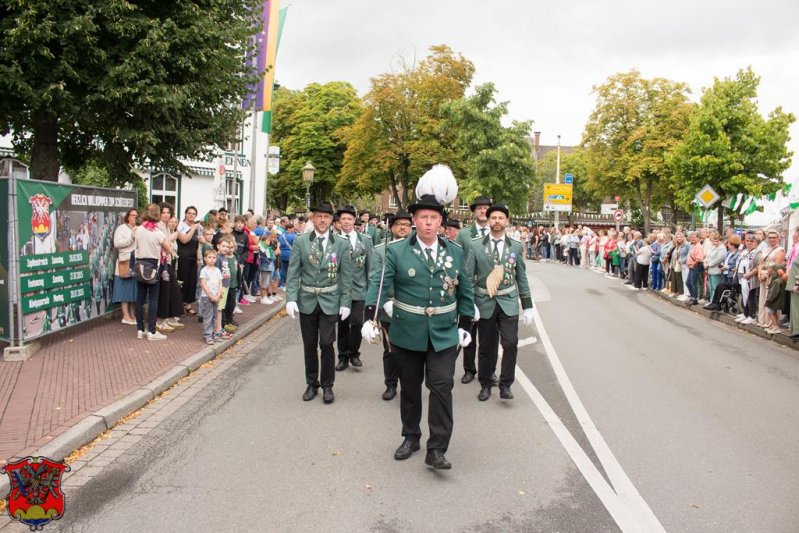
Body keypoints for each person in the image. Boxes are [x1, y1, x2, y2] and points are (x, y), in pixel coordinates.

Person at [363, 193, 475, 470]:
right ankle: (411, 436)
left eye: (433, 218)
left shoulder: (455, 252)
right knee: (410, 388)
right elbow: (380, 283)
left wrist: (465, 325)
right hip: (407, 330)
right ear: (414, 220)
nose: (428, 223)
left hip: (444, 332)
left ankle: (437, 448)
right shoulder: (396, 251)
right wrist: (370, 317)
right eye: (423, 217)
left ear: (441, 222)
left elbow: (465, 290)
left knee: (441, 386)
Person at [285, 201, 353, 404]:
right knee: (309, 345)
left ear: (333, 220)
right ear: (313, 218)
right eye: (319, 216)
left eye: (327, 217)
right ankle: (311, 383)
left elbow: (346, 275)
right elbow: (293, 271)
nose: (323, 220)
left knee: (326, 343)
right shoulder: (301, 241)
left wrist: (346, 301)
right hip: (307, 300)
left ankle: (328, 385)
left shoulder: (341, 243)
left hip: (330, 300)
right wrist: (291, 298)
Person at [465, 204, 533, 401]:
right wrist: (470, 305)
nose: (497, 221)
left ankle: (506, 385)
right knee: (485, 346)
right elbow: (469, 277)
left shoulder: (516, 245)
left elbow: (521, 277)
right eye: (493, 218)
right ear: (488, 220)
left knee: (511, 343)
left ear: (507, 221)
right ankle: (485, 384)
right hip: (484, 300)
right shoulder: (476, 245)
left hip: (508, 301)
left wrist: (527, 305)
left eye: (501, 218)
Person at [370, 209, 413, 401]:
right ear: (391, 227)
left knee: (411, 351)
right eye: (398, 224)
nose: (402, 228)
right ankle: (391, 384)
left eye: (406, 224)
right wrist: (386, 302)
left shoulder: (416, 249)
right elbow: (375, 279)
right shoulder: (380, 250)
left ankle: (409, 386)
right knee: (390, 349)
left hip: (412, 308)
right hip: (389, 309)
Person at [455, 195, 492, 384]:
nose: (483, 211)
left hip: (489, 291)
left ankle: (488, 370)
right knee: (468, 331)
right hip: (469, 288)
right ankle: (469, 369)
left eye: (486, 208)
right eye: (479, 208)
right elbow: (458, 260)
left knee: (488, 336)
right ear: (474, 211)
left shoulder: (496, 232)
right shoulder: (464, 234)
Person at [334, 205, 373, 371]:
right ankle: (342, 356)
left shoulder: (365, 240)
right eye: (343, 219)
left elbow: (370, 267)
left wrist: (370, 292)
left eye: (349, 219)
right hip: (340, 290)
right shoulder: (333, 240)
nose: (346, 222)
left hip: (359, 289)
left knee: (357, 323)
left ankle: (354, 353)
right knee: (342, 324)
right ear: (339, 221)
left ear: (354, 220)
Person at [133, 203, 171, 341]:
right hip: (153, 265)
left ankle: (140, 329)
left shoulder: (138, 230)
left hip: (139, 264)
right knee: (153, 298)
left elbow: (134, 240)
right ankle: (152, 331)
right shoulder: (158, 232)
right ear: (158, 215)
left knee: (140, 298)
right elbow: (168, 248)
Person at [112, 208, 138, 325]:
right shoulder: (121, 229)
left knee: (133, 290)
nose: (135, 218)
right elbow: (117, 244)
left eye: (136, 216)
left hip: (136, 262)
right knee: (124, 289)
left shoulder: (138, 228)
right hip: (125, 261)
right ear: (128, 216)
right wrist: (130, 239)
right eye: (132, 215)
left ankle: (132, 315)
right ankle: (125, 316)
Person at [177, 206, 202, 316]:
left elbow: (198, 243)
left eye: (193, 214)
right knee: (183, 281)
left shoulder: (197, 228)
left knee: (192, 283)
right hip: (183, 257)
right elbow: (184, 239)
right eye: (189, 213)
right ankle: (180, 304)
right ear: (185, 214)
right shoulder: (181, 226)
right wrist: (193, 228)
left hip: (193, 258)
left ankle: (188, 304)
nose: (191, 215)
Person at [198, 249, 223, 345]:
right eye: (209, 257)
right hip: (207, 297)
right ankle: (208, 335)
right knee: (208, 316)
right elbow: (203, 284)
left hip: (216, 296)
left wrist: (218, 295)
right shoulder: (204, 270)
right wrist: (211, 295)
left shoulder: (217, 270)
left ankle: (214, 334)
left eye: (214, 257)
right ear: (205, 259)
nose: (212, 259)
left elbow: (220, 283)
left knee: (215, 316)